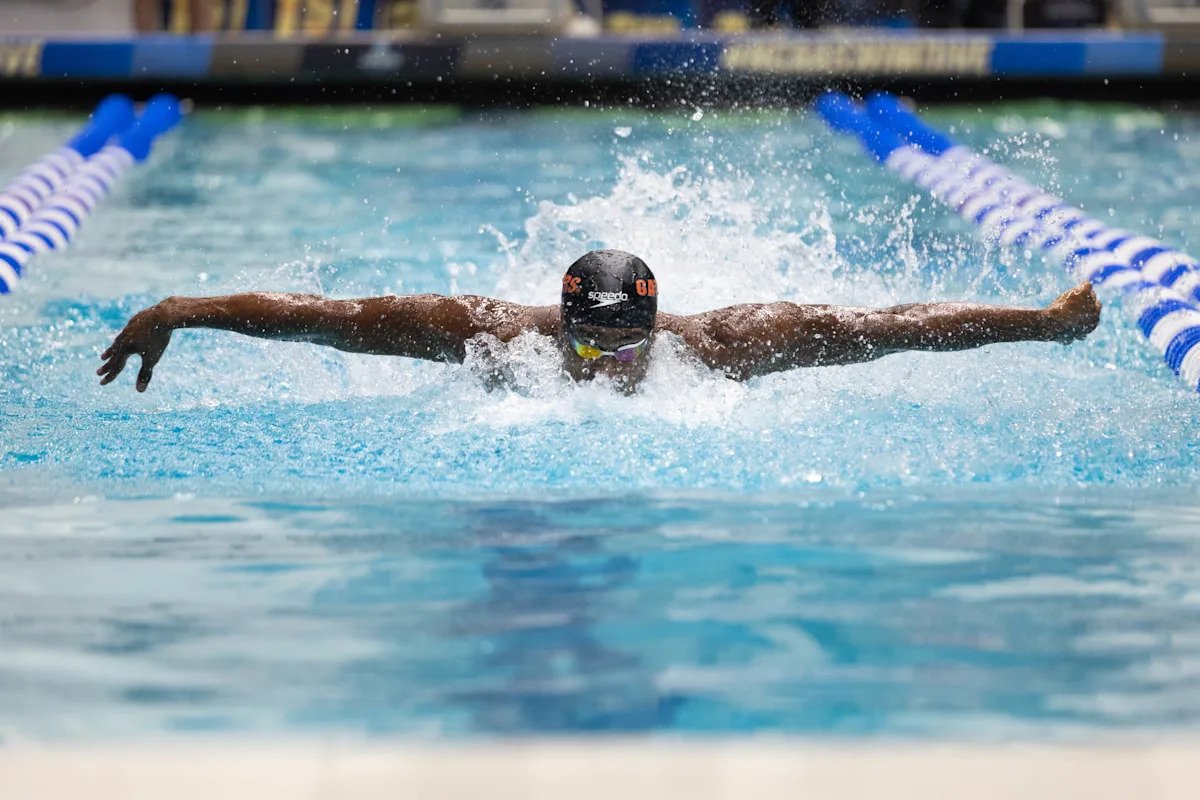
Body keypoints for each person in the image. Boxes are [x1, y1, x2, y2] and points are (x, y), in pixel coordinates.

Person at [98, 249, 1101, 395]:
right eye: (593, 341)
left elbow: (898, 323)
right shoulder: (494, 334)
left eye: (625, 343)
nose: (608, 361)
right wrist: (179, 309)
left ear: (656, 328)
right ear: (563, 320)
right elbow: (334, 318)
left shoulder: (724, 345)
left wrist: (1039, 324)